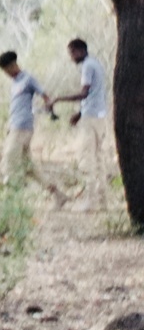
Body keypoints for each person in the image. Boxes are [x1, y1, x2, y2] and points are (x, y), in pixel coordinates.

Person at [48, 37, 112, 205]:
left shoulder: (87, 66)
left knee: (87, 158)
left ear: (80, 51)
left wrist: (59, 99)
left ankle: (90, 200)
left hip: (91, 117)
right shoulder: (96, 64)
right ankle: (103, 200)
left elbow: (84, 93)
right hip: (99, 115)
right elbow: (93, 95)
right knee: (98, 157)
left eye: (72, 53)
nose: (71, 57)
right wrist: (79, 113)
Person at [0, 50, 59, 195]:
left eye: (7, 70)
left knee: (10, 163)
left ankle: (11, 199)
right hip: (15, 126)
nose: (7, 73)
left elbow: (45, 95)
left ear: (13, 65)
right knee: (28, 166)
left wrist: (50, 110)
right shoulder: (14, 83)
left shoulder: (28, 79)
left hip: (22, 127)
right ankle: (57, 195)